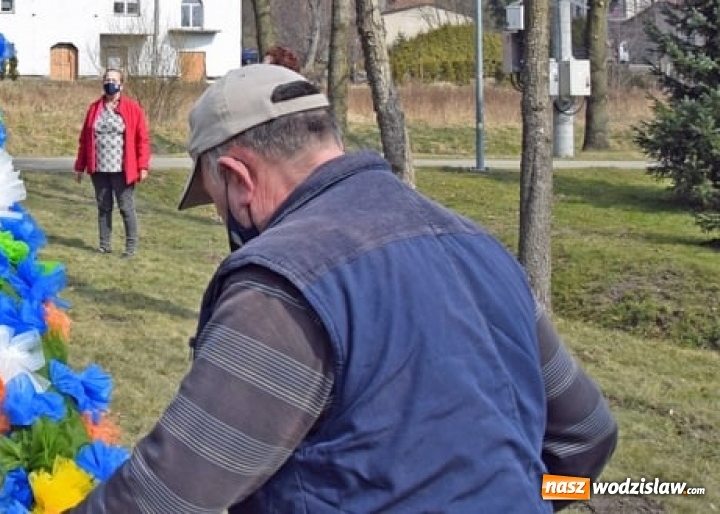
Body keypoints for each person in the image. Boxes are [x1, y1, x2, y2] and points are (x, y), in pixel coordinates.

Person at [73, 64, 619, 512]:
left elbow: (164, 498)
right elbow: (585, 437)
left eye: (217, 200)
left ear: (239, 178)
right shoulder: (482, 248)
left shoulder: (283, 285)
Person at [73, 67, 151, 257]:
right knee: (103, 207)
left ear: (121, 85)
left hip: (123, 168)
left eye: (114, 80)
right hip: (99, 167)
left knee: (126, 207)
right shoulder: (94, 108)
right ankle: (104, 245)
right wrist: (80, 166)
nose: (110, 83)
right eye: (107, 79)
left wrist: (143, 166)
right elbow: (85, 139)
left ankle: (130, 248)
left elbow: (142, 139)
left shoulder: (132, 109)